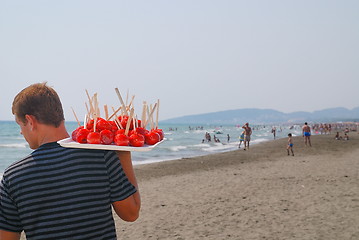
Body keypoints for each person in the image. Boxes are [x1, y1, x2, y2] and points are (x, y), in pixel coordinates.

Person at [0, 83, 141, 240]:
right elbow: (131, 213)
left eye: (20, 125)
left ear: (30, 121)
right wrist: (124, 152)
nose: (20, 131)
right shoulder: (101, 156)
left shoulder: (12, 177)